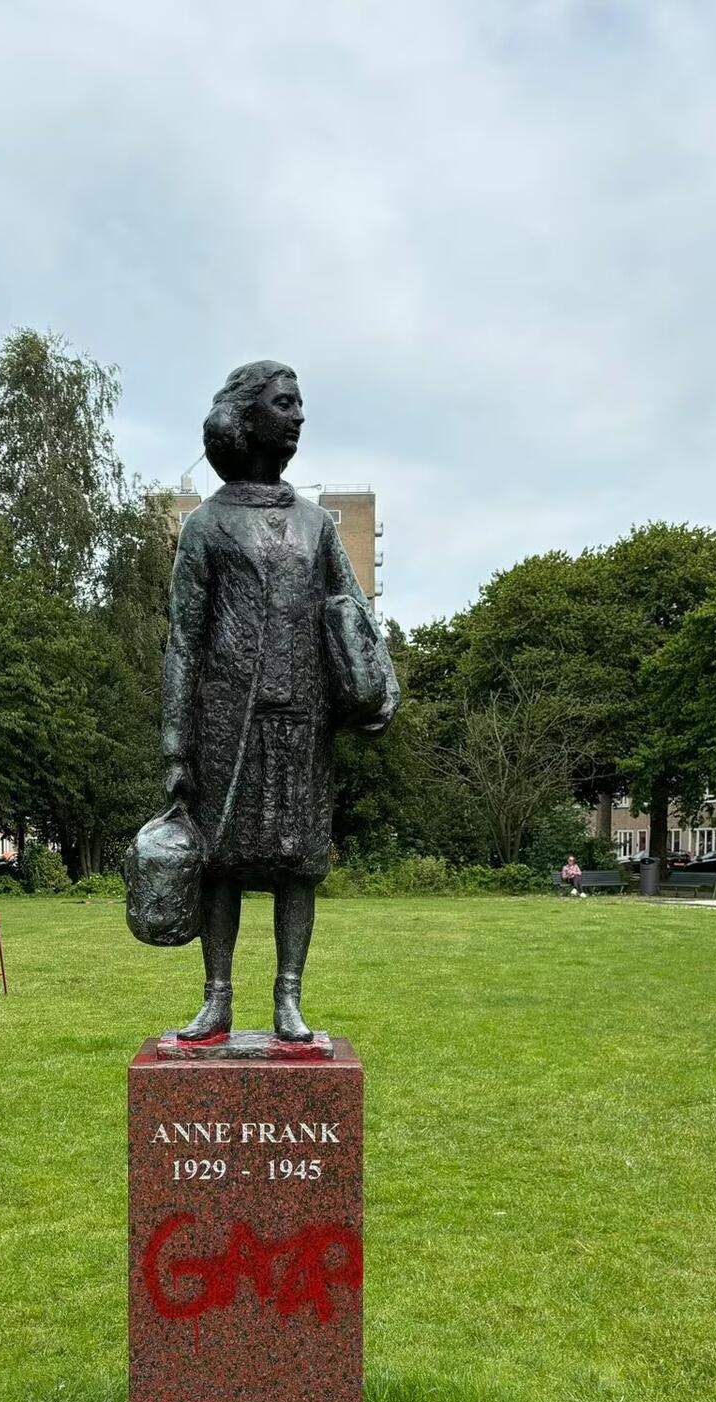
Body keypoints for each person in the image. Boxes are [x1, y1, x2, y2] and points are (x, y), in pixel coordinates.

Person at [162, 361, 399, 1041]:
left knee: (299, 862)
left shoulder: (318, 525)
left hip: (303, 718)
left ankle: (288, 997)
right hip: (222, 723)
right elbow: (183, 640)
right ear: (248, 415)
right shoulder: (206, 526)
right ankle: (217, 996)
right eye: (285, 403)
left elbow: (353, 615)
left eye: (299, 404)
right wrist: (175, 747)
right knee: (220, 863)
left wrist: (372, 686)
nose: (297, 416)